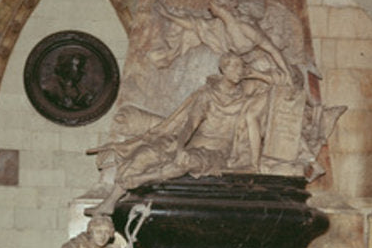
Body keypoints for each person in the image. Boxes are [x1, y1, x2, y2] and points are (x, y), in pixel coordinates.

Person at [88, 52, 271, 214]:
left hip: (216, 153)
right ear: (224, 68)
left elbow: (283, 84)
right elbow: (190, 125)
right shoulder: (207, 95)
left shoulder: (247, 100)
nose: (241, 70)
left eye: (242, 67)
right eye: (236, 66)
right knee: (146, 153)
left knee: (189, 161)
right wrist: (180, 147)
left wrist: (254, 74)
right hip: (191, 143)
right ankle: (110, 201)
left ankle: (141, 179)